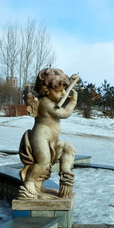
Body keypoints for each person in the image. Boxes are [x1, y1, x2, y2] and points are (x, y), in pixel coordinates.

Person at [18, 68, 79, 199]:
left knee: (69, 149)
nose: (63, 94)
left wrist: (70, 84)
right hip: (40, 137)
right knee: (43, 162)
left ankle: (66, 175)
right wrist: (73, 101)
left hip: (51, 139)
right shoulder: (45, 102)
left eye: (64, 90)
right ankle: (29, 181)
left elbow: (62, 101)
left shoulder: (52, 100)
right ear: (46, 91)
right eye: (59, 91)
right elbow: (64, 113)